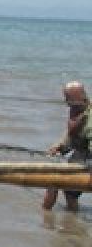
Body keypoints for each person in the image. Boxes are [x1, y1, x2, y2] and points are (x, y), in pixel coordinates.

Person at [43, 80, 91, 212]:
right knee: (69, 193)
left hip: (87, 159)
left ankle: (45, 218)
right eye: (66, 98)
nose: (66, 102)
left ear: (82, 96)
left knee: (53, 181)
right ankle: (71, 223)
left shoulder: (89, 115)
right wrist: (61, 145)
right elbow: (72, 134)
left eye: (69, 98)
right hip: (80, 155)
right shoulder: (76, 109)